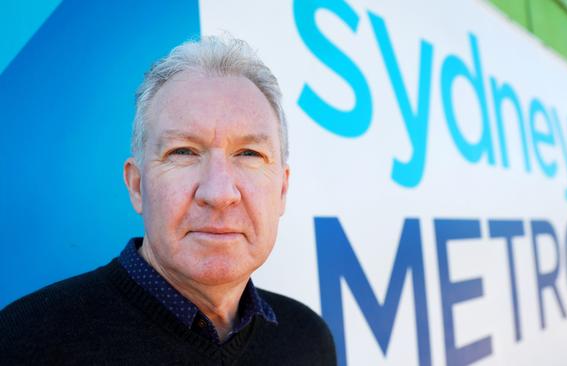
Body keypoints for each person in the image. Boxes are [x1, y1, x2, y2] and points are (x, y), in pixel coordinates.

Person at [0, 35, 337, 365]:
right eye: (184, 152)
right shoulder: (25, 343)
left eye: (249, 153)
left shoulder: (308, 339)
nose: (219, 194)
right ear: (136, 185)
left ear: (281, 189)